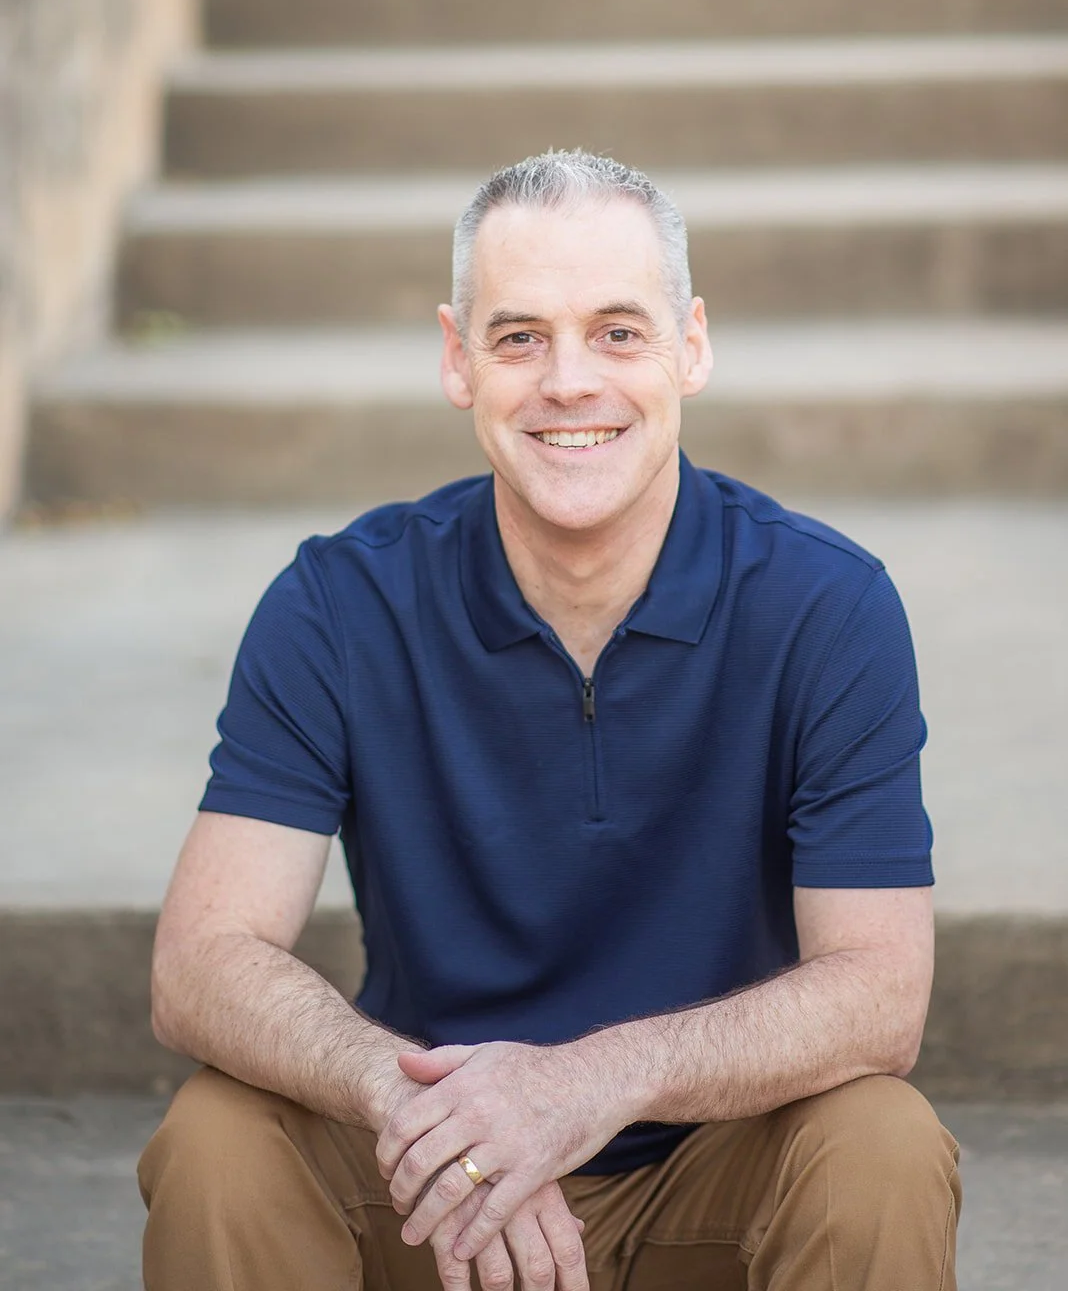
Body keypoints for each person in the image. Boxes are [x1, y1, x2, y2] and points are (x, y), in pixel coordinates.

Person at [138, 150, 961, 1291]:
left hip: (710, 1178)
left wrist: (581, 1086)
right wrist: (428, 1108)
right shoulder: (340, 601)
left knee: (882, 1143)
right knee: (219, 1137)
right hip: (430, 1187)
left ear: (691, 346)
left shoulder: (825, 603)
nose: (570, 381)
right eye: (520, 336)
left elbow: (881, 993)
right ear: (457, 359)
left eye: (619, 332)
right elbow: (200, 963)